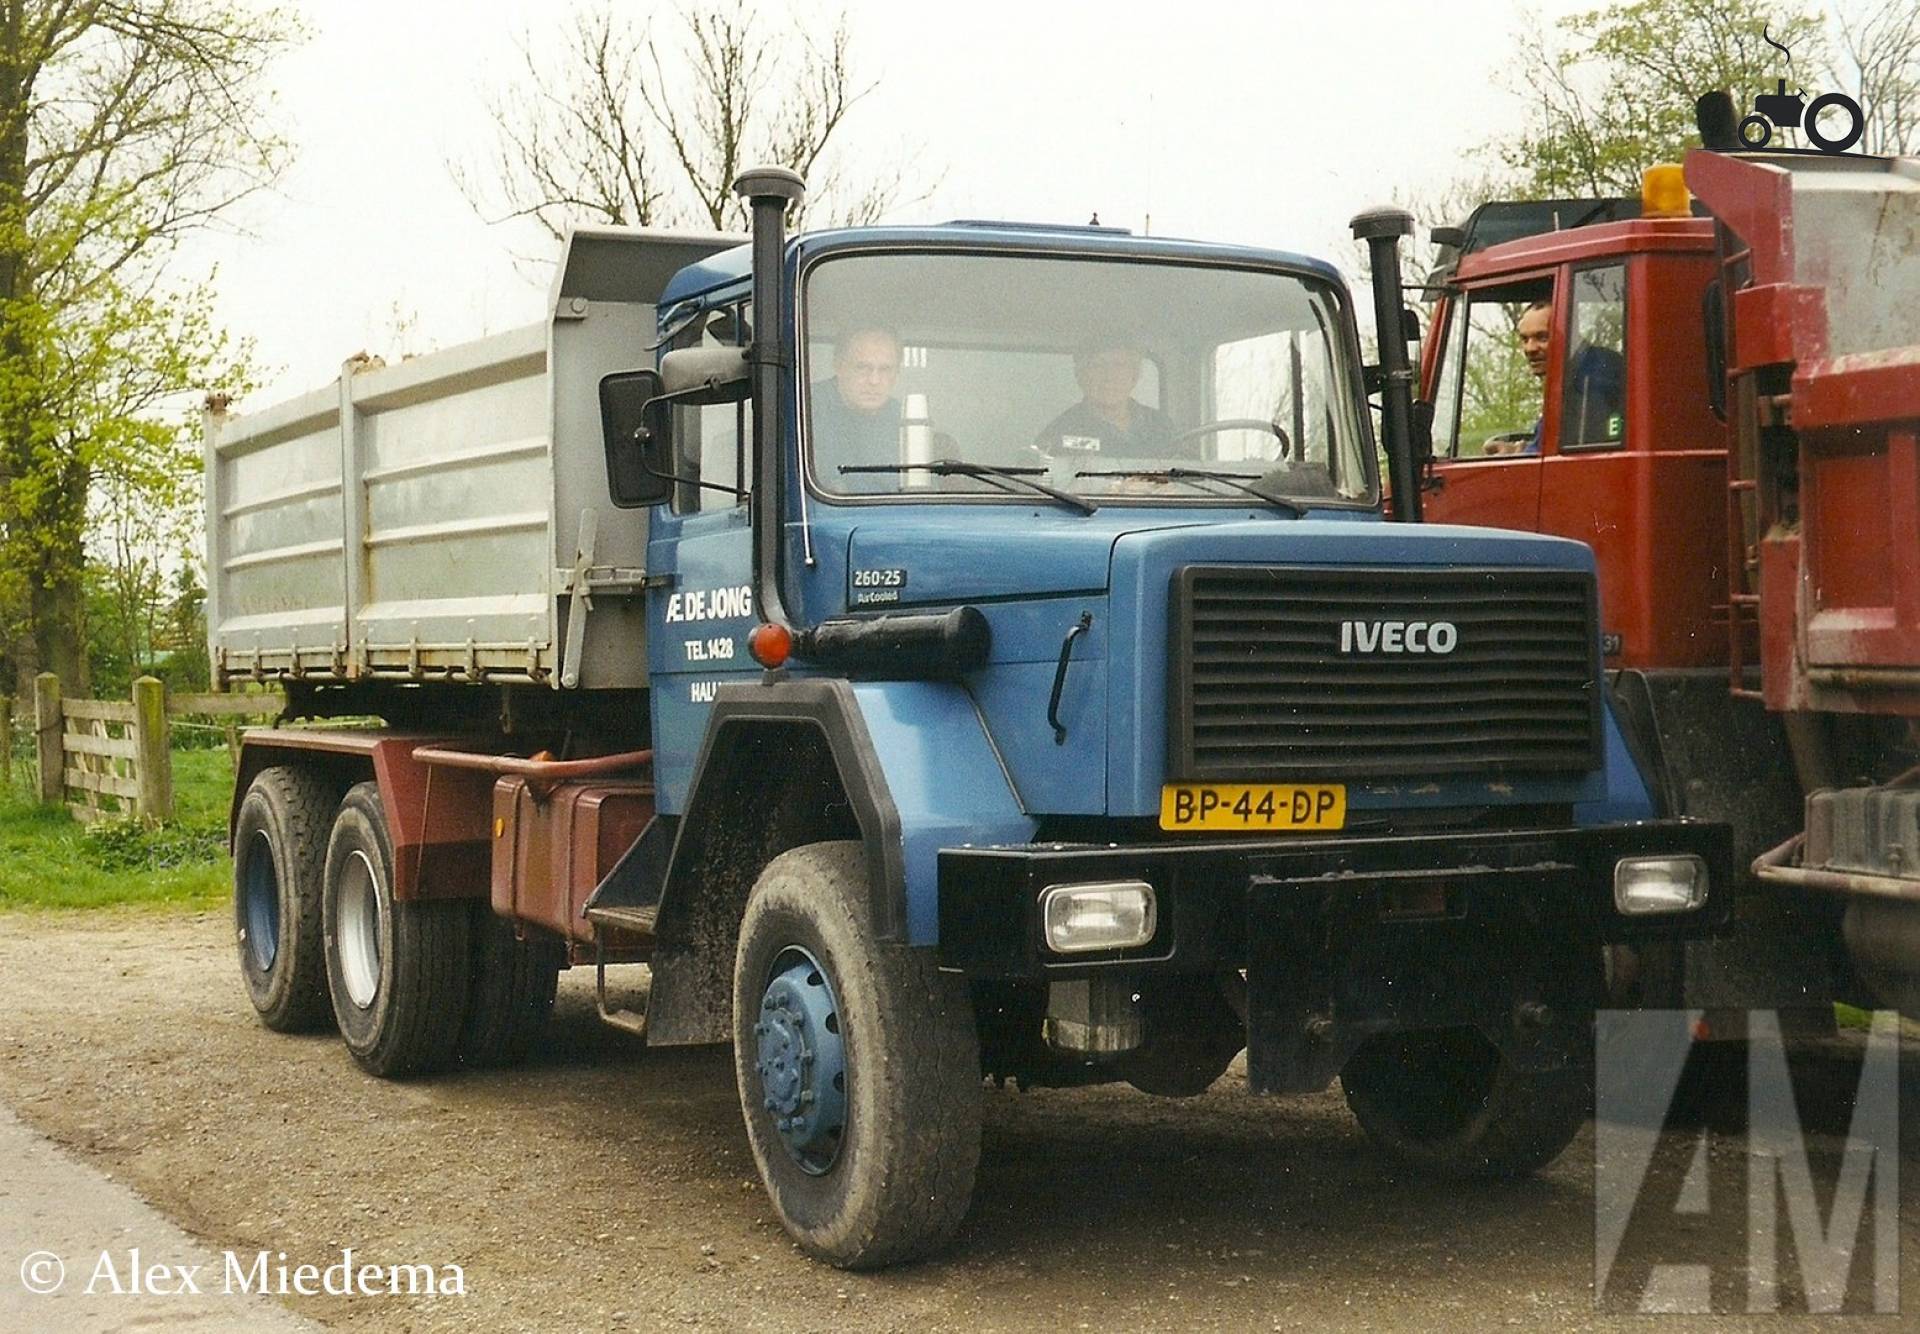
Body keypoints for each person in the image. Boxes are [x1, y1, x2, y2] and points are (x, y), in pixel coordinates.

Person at [1035, 341, 1174, 458]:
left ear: (1135, 375)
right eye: (1098, 365)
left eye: (1119, 365)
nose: (1109, 376)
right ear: (1080, 375)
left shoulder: (1161, 426)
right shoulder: (1058, 433)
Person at [812, 326, 903, 463]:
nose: (874, 380)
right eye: (863, 368)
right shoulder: (807, 407)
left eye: (885, 369)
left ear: (897, 373)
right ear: (839, 366)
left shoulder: (903, 419)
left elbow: (925, 480)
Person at [1484, 300, 1551, 457]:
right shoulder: (1565, 384)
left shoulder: (1586, 384)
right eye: (1525, 339)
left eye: (1542, 337)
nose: (1530, 348)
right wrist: (1518, 451)